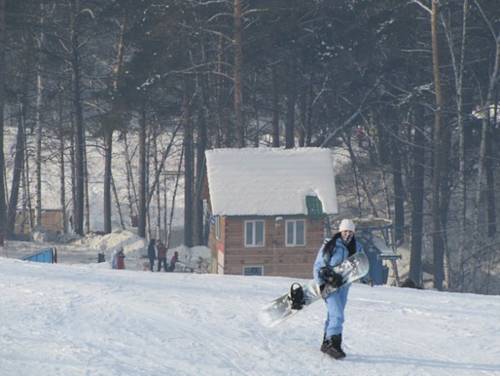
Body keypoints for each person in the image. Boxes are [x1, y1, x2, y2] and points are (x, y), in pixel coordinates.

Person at [313, 219, 364, 359]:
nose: (348, 234)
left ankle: (326, 342)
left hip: (344, 286)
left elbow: (361, 264)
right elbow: (319, 265)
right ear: (340, 231)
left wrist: (364, 275)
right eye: (345, 231)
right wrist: (322, 282)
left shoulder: (357, 247)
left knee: (334, 314)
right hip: (329, 286)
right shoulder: (330, 245)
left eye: (350, 232)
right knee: (337, 315)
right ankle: (333, 344)